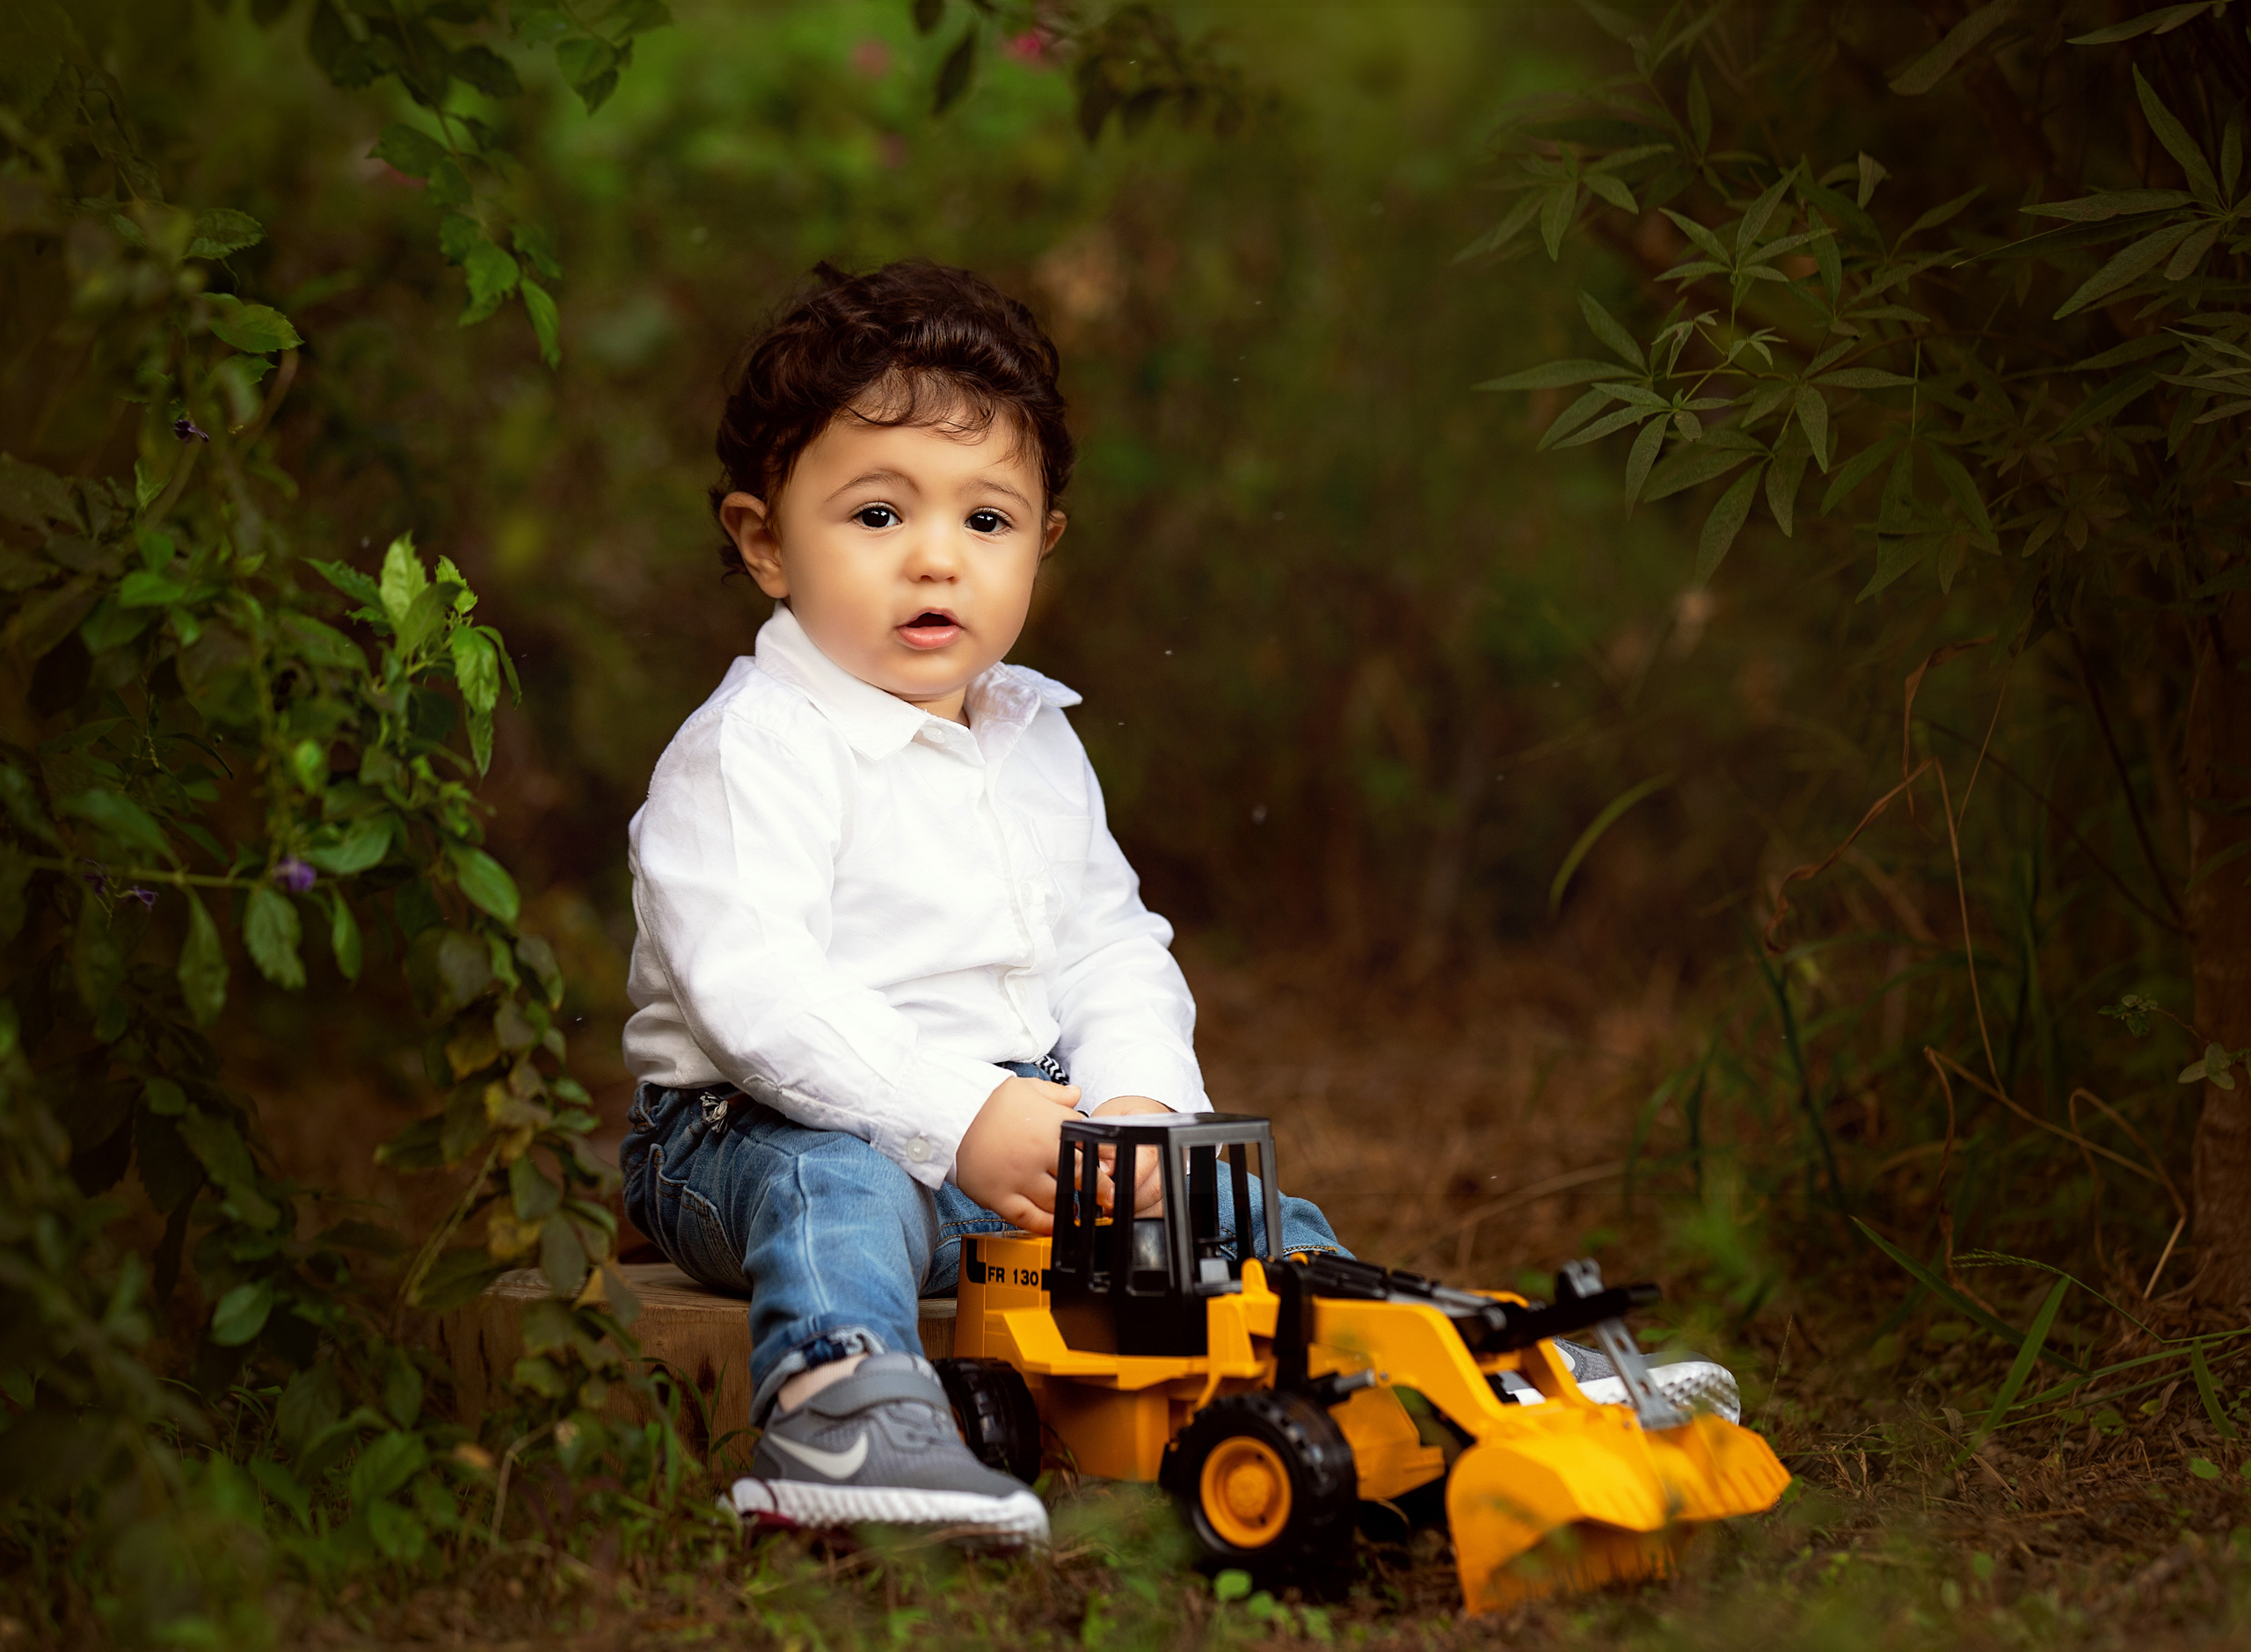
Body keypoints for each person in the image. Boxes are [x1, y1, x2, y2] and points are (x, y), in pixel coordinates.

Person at [617, 260, 1342, 1542]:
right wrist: (964, 1115)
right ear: (766, 541)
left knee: (1224, 1204)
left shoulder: (1032, 737)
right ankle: (845, 1412)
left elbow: (1110, 945)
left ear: (1044, 541)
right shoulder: (754, 749)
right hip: (746, 1132)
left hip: (1015, 1134)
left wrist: (1134, 1109)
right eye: (879, 515)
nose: (938, 559)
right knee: (844, 1191)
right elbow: (760, 1000)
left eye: (988, 522)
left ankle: (1385, 1353)